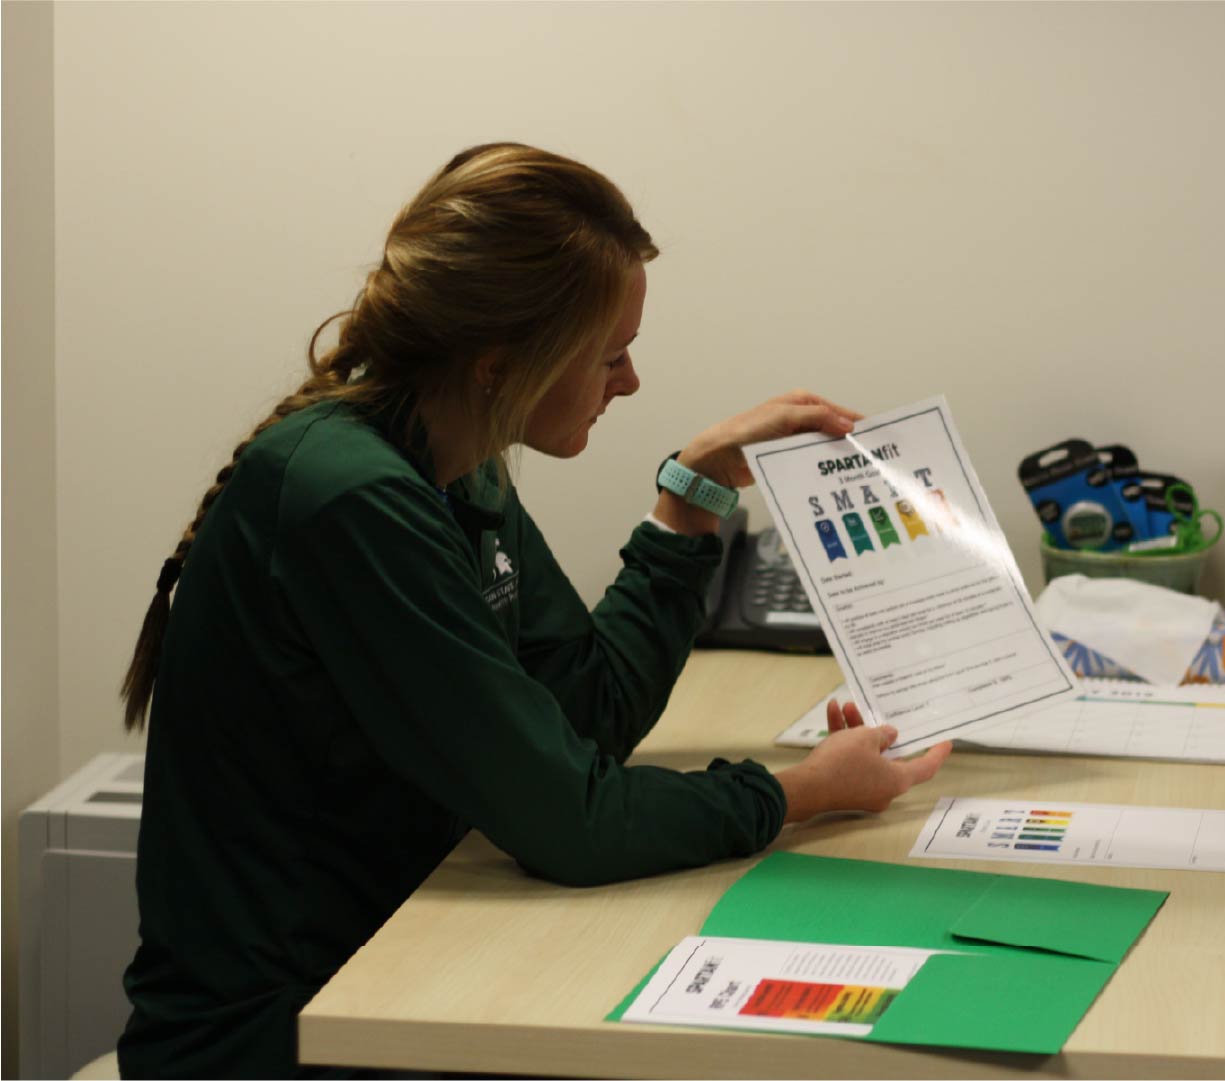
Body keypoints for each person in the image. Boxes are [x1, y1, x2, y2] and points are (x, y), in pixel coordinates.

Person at [115, 143, 950, 1079]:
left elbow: (585, 714)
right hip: (284, 1034)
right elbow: (569, 822)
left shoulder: (455, 462)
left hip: (403, 971)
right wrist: (801, 791)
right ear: (501, 362)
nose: (627, 382)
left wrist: (693, 494)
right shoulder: (349, 498)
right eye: (611, 355)